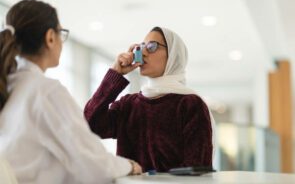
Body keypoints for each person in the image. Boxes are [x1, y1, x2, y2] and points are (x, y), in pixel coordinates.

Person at [0, 0, 141, 184]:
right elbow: (95, 165)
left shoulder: (8, 86)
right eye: (61, 33)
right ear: (50, 37)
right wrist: (130, 166)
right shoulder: (46, 91)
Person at [84, 26, 215, 172]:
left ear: (173, 55)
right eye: (141, 47)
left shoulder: (190, 105)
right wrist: (115, 73)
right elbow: (89, 125)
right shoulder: (128, 104)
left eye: (152, 46)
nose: (143, 52)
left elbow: (197, 169)